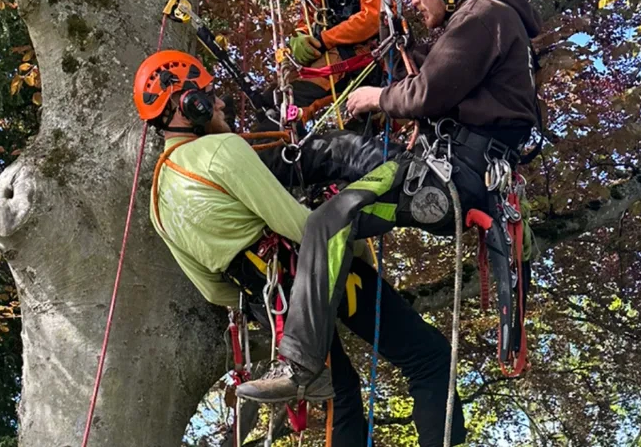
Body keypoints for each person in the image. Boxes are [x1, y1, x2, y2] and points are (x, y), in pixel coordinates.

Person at [237, 0, 540, 447]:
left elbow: (426, 92)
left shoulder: (484, 15)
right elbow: (440, 76)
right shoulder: (486, 20)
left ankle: (300, 364)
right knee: (336, 201)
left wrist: (377, 96)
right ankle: (299, 268)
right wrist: (396, 34)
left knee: (330, 218)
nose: (417, 4)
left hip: (447, 178)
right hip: (455, 176)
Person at [133, 49, 464, 446]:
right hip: (315, 273)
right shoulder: (219, 150)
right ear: (189, 104)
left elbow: (213, 290)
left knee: (341, 396)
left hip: (269, 304)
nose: (219, 102)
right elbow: (302, 227)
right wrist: (357, 252)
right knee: (428, 359)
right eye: (209, 94)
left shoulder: (157, 202)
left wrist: (261, 293)